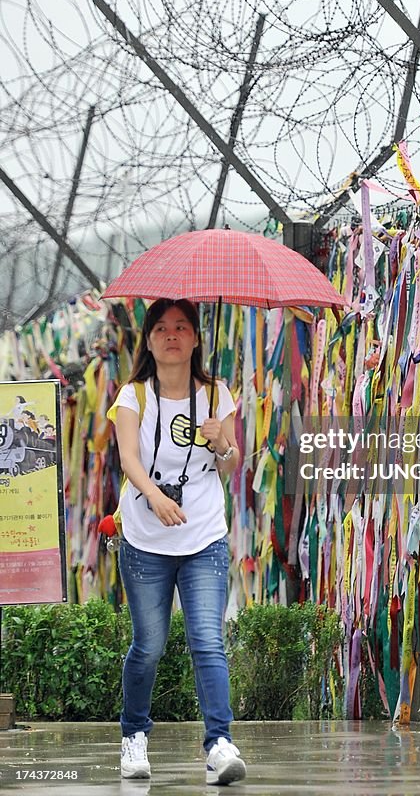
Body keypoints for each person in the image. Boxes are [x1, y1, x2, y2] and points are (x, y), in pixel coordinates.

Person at [110, 298, 246, 786]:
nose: (172, 335)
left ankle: (219, 745)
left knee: (208, 641)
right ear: (148, 339)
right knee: (148, 644)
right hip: (146, 538)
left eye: (182, 327)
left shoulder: (215, 394)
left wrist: (220, 442)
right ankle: (134, 738)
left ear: (195, 339)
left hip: (204, 536)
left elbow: (231, 466)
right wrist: (154, 497)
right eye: (162, 327)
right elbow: (127, 459)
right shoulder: (134, 396)